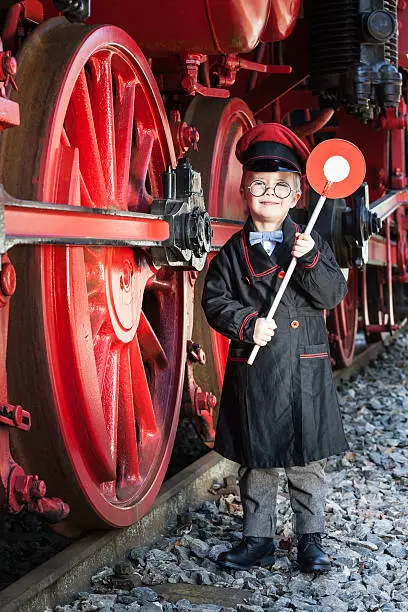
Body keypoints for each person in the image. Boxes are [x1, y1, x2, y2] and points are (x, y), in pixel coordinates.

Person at [201, 123, 349, 572]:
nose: (270, 193)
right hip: (258, 369)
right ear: (245, 190)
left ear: (297, 195)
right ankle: (258, 538)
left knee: (306, 463)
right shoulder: (231, 253)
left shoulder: (308, 242)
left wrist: (308, 259)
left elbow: (333, 294)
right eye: (260, 185)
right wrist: (246, 324)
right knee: (258, 462)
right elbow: (214, 300)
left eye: (281, 187)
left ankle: (311, 541)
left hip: (304, 370)